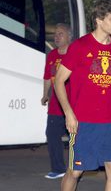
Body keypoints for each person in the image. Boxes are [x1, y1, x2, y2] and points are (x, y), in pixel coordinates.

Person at [54, 0, 111, 191]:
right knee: (75, 172)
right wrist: (68, 113)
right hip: (83, 121)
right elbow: (59, 81)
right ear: (99, 20)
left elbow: (109, 81)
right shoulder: (79, 46)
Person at [41, 23, 71, 179]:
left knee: (77, 137)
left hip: (73, 105)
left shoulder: (75, 53)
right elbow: (47, 77)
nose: (56, 37)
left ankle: (79, 167)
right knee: (52, 134)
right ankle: (58, 169)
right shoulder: (52, 55)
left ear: (69, 37)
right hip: (55, 105)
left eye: (61, 34)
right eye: (56, 34)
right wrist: (45, 94)